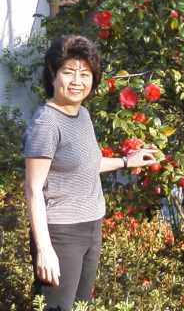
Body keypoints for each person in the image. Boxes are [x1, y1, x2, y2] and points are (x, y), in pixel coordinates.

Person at [23, 35, 161, 311]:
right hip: (61, 233)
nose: (77, 81)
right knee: (56, 308)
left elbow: (90, 164)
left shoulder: (82, 114)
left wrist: (126, 161)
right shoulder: (46, 123)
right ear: (53, 75)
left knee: (81, 307)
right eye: (68, 72)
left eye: (84, 74)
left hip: (91, 225)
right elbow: (33, 189)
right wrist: (44, 249)